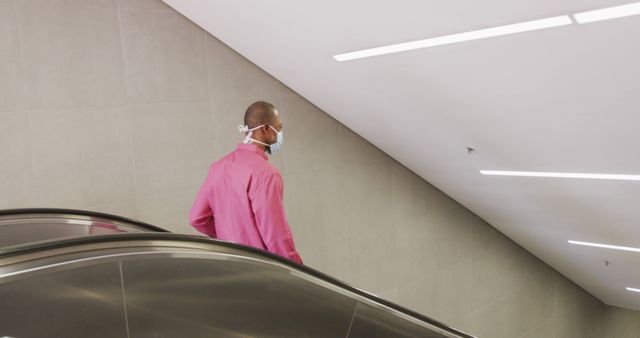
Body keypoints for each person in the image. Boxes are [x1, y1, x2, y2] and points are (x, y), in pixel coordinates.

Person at [189, 101, 303, 264]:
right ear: (265, 129)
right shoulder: (266, 174)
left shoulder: (218, 167)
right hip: (260, 267)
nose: (280, 133)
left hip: (230, 262)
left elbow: (196, 217)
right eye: (279, 127)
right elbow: (275, 236)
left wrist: (227, 235)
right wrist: (298, 271)